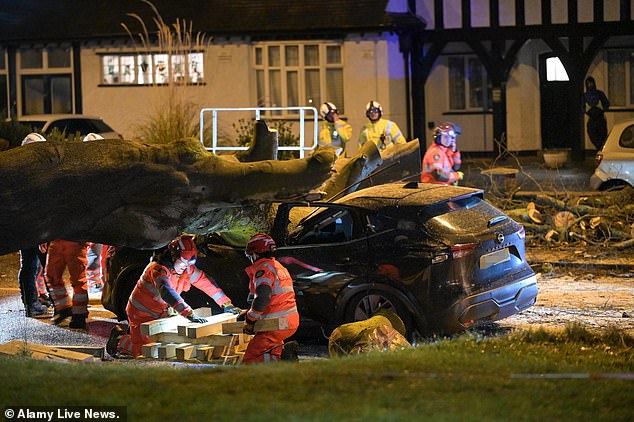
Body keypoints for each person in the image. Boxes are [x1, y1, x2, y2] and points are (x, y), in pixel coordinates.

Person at [107, 234, 240, 357]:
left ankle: (131, 336)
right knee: (146, 350)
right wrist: (189, 314)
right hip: (141, 315)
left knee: (165, 343)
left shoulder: (184, 268)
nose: (185, 266)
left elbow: (205, 283)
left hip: (161, 313)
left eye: (188, 263)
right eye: (183, 262)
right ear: (173, 256)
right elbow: (167, 293)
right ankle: (119, 339)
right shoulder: (158, 270)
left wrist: (226, 303)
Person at [241, 233, 299, 364]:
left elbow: (262, 299)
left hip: (276, 323)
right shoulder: (277, 266)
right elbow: (275, 298)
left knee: (251, 357)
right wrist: (250, 311)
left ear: (255, 254)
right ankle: (281, 363)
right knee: (272, 349)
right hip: (289, 320)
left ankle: (282, 363)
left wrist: (250, 320)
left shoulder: (263, 269)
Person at [18, 133, 50, 317]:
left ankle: (32, 302)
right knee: (37, 265)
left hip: (27, 227)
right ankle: (33, 303)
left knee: (32, 265)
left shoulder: (22, 172)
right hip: (35, 228)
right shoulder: (33, 174)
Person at [46, 240, 90, 329]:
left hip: (75, 240)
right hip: (59, 239)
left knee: (78, 281)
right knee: (52, 276)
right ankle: (66, 308)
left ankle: (79, 315)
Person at [584, 76, 610, 150]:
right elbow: (582, 107)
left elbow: (607, 104)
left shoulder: (599, 94)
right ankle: (599, 149)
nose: (590, 85)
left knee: (603, 137)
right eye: (588, 83)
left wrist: (602, 110)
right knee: (593, 136)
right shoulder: (585, 96)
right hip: (592, 119)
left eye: (591, 83)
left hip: (600, 118)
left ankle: (601, 151)